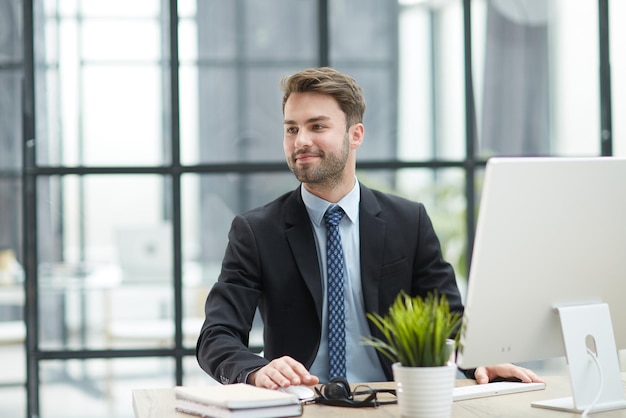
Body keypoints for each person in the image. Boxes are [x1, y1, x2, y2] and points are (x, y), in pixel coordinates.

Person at [196, 67, 544, 390]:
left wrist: (480, 359)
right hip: (301, 403)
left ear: (355, 134)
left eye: (317, 126)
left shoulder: (409, 221)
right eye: (291, 128)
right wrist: (255, 369)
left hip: (394, 399)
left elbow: (449, 319)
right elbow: (217, 334)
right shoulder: (256, 231)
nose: (301, 140)